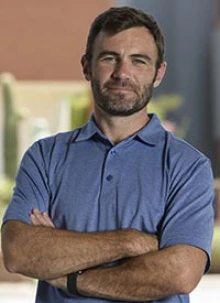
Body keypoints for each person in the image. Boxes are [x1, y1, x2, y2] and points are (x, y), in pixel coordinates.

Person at [1, 6, 214, 303]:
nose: (122, 73)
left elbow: (179, 274)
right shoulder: (45, 156)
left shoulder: (188, 167)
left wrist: (65, 276)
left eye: (138, 61)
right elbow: (18, 252)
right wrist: (130, 242)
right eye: (109, 58)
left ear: (158, 73)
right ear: (86, 66)